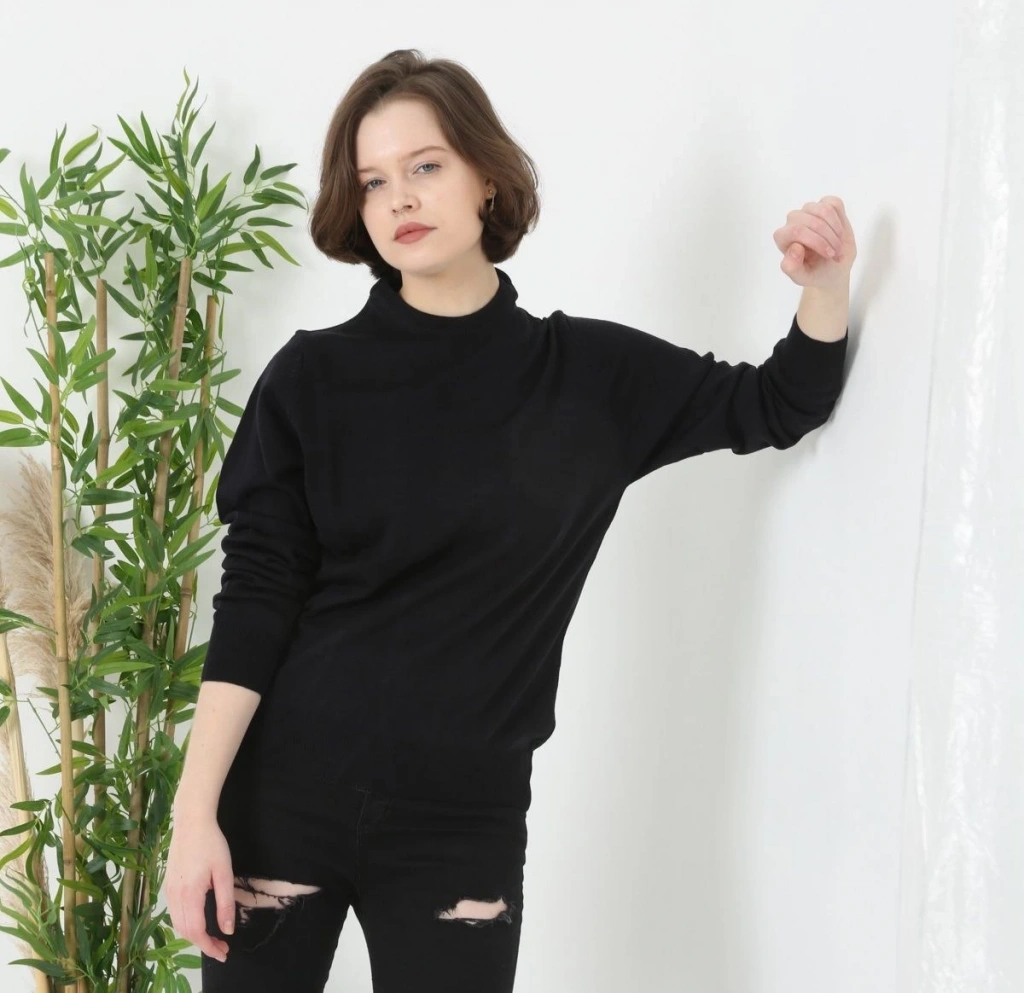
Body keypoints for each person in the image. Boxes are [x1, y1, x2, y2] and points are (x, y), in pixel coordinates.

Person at [163, 48, 852, 993]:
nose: (400, 197)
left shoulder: (589, 379)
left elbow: (779, 401)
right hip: (282, 798)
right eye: (373, 180)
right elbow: (255, 601)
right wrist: (193, 814)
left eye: (425, 164)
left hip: (461, 823)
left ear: (487, 177)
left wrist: (824, 283)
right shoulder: (311, 379)